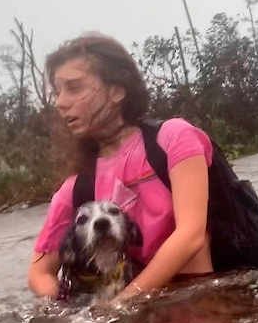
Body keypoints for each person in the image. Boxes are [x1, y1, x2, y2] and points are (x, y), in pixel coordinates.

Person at [26, 32, 214, 304]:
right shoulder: (77, 188)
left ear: (117, 90)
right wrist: (72, 308)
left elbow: (191, 234)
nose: (60, 102)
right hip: (135, 311)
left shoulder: (173, 138)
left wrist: (122, 302)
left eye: (74, 88)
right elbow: (38, 272)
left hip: (201, 297)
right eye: (57, 91)